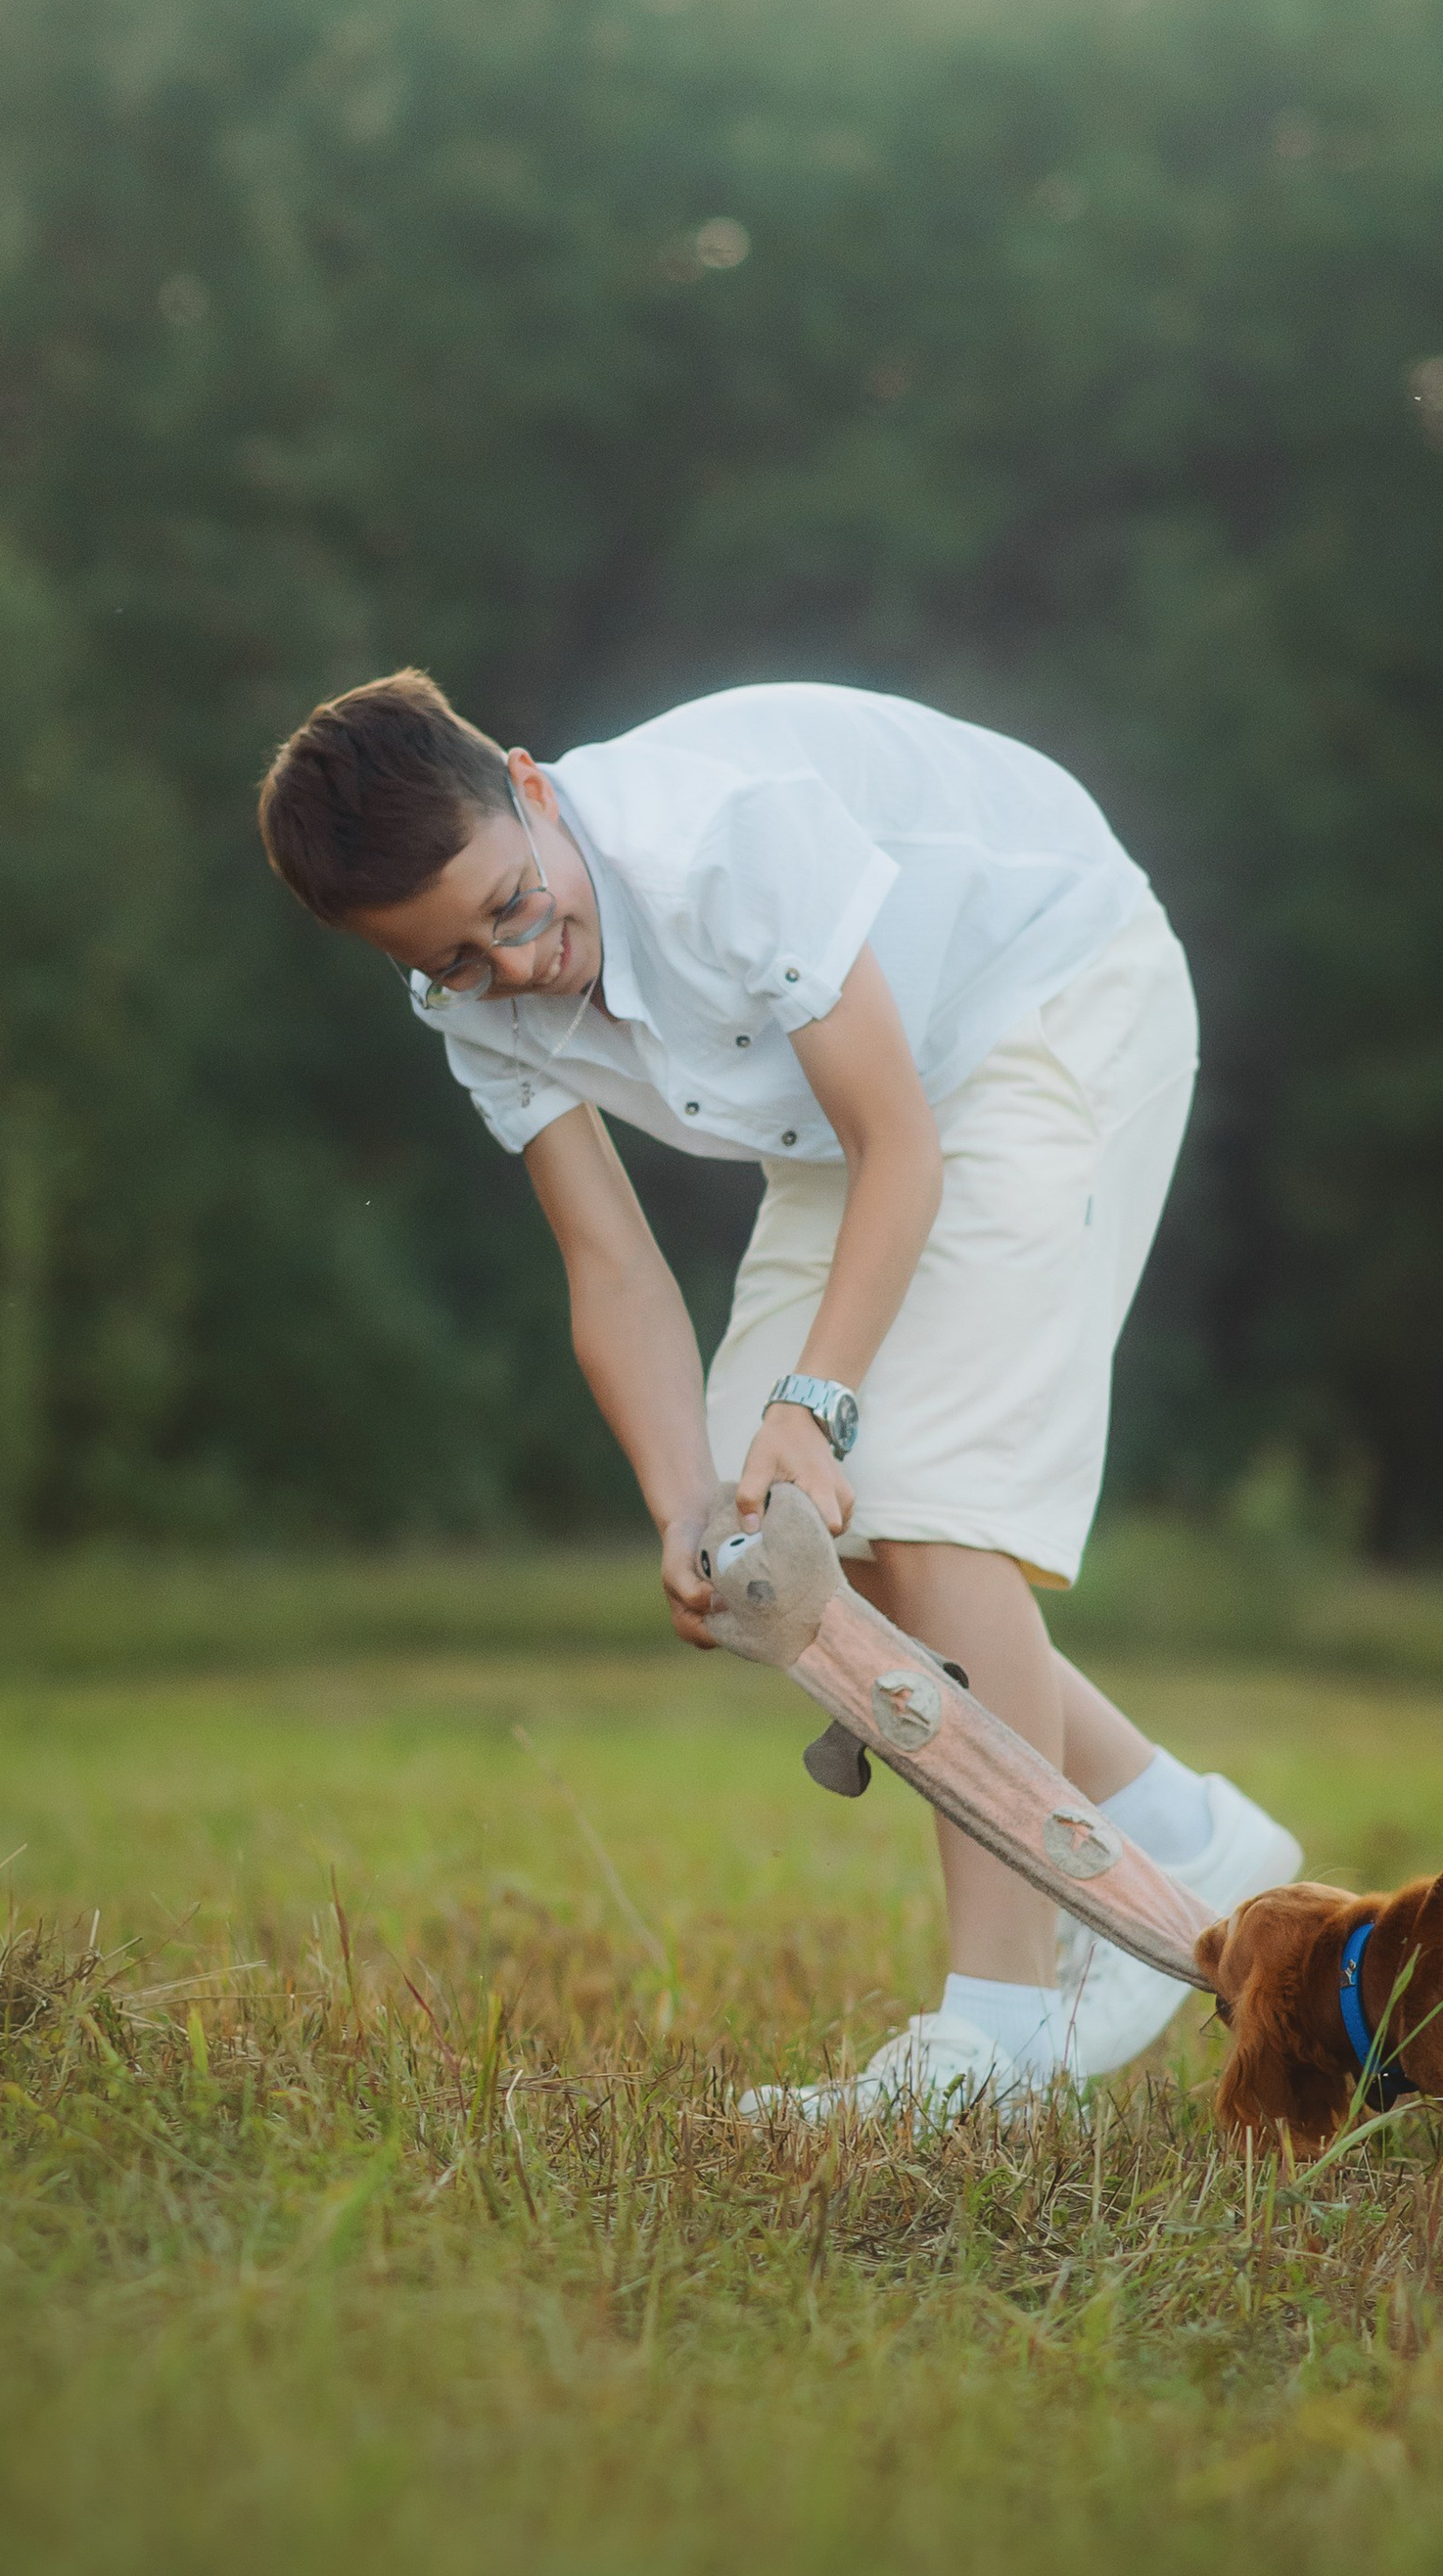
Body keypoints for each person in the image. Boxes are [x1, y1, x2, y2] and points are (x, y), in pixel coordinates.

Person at [256, 669, 1299, 2110]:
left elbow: (905, 1147)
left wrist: (821, 1400)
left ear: (530, 783)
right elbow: (611, 1268)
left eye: (511, 905)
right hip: (870, 1094)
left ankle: (992, 2039)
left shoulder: (715, 846)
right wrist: (683, 1499)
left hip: (1050, 990)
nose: (516, 963)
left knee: (922, 1493)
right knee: (794, 1543)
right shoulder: (473, 999)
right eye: (452, 960)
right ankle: (1175, 1828)